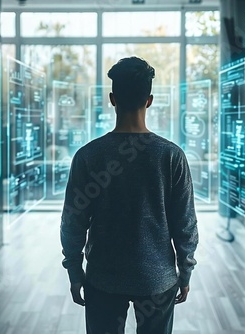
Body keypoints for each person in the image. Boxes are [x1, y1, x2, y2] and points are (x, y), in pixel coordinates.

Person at [60, 56, 199, 334]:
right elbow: (185, 225)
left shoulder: (88, 156)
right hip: (157, 280)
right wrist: (185, 272)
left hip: (103, 279)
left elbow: (73, 223)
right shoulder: (171, 156)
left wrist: (75, 272)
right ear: (149, 100)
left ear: (113, 99)